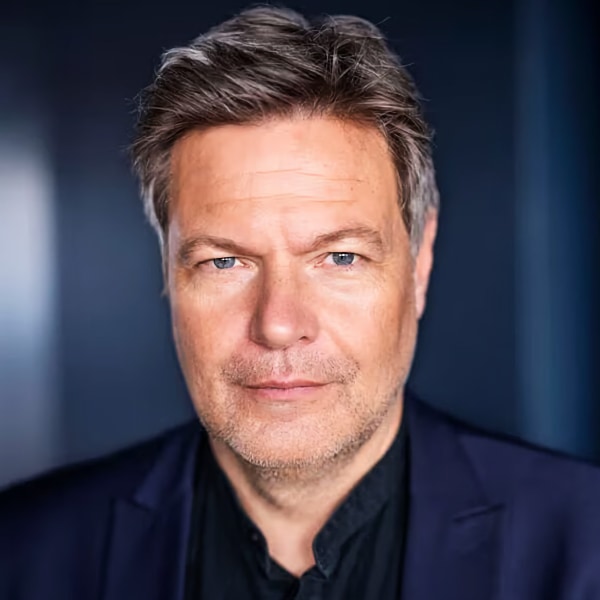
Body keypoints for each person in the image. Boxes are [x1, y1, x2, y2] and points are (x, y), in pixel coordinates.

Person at [1, 6, 599, 599]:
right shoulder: (23, 555)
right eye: (224, 261)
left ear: (420, 263)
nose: (280, 324)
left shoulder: (585, 546)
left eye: (340, 257)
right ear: (168, 272)